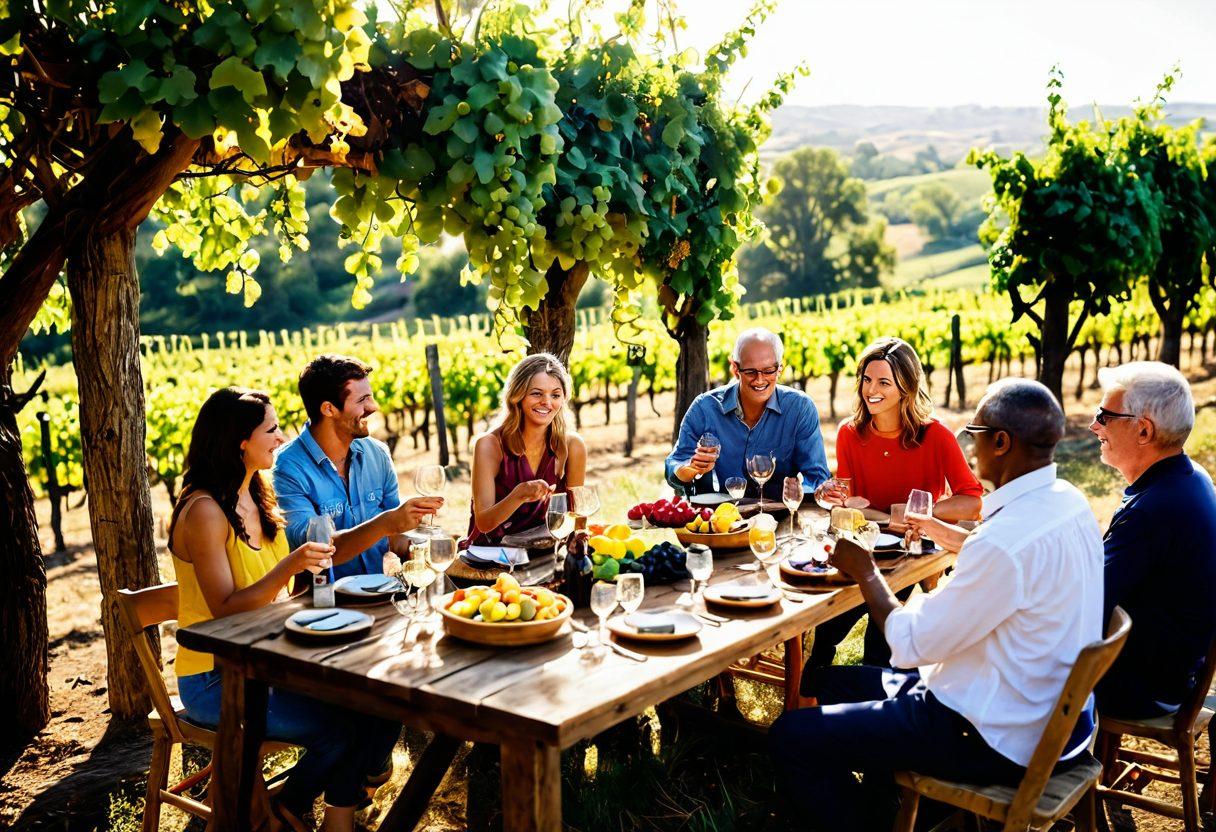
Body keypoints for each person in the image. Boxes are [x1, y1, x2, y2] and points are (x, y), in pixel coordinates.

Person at [769, 379, 1104, 831]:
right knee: (831, 683)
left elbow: (910, 644)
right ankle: (882, 799)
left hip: (990, 735)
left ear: (1001, 443)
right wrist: (938, 530)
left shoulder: (1004, 543)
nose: (972, 447)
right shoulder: (1068, 502)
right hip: (1046, 717)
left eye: (977, 433)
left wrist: (867, 573)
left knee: (790, 736)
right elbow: (1013, 567)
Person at [171, 387, 401, 832]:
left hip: (267, 661)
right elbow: (224, 609)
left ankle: (300, 812)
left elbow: (278, 595)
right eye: (271, 430)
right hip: (216, 676)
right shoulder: (203, 510)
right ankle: (291, 813)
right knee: (341, 730)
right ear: (240, 440)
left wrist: (311, 582)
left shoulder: (258, 494)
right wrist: (292, 565)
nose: (281, 438)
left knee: (376, 702)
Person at [808, 337, 983, 669]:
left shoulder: (935, 436)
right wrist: (833, 497)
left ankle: (877, 706)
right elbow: (851, 505)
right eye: (867, 379)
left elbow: (971, 504)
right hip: (868, 542)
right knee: (826, 626)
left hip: (913, 547)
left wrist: (919, 511)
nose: (871, 389)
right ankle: (807, 702)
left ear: (906, 387)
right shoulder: (849, 433)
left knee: (881, 635)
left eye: (884, 382)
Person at [1090, 361, 1216, 719]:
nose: (1093, 425)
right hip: (1176, 670)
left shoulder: (1153, 510)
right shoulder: (1188, 476)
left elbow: (1088, 601)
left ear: (1144, 431)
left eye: (1104, 415)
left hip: (1145, 686)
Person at [274, 354, 443, 579]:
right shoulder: (288, 468)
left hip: (380, 593)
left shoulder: (378, 454)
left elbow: (394, 535)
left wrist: (420, 551)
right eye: (362, 400)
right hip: (322, 601)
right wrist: (385, 524)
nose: (373, 407)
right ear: (329, 409)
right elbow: (315, 551)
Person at [665, 328, 830, 500]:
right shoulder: (705, 408)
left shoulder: (800, 408)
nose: (759, 379)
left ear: (780, 368)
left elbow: (817, 477)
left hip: (779, 514)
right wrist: (691, 468)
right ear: (736, 369)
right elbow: (674, 465)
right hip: (718, 518)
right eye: (751, 372)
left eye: (768, 371)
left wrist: (801, 491)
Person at [464, 353, 586, 547]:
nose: (547, 402)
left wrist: (579, 541)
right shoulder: (489, 445)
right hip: (493, 556)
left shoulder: (572, 446)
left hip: (544, 555)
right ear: (517, 396)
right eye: (536, 393)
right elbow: (484, 523)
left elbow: (578, 515)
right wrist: (518, 495)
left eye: (555, 395)